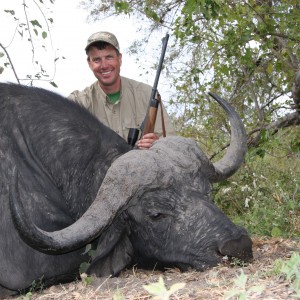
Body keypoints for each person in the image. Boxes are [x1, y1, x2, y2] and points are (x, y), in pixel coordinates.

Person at [68, 31, 175, 150]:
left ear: (119, 59)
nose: (104, 65)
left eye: (109, 57)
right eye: (97, 60)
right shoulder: (78, 103)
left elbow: (171, 144)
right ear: (90, 63)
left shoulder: (147, 95)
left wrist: (157, 144)